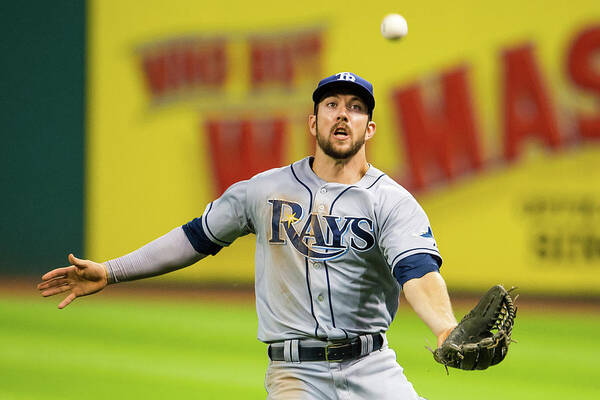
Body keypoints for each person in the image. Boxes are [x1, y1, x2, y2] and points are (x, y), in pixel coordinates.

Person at [38, 72, 458, 399]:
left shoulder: (391, 201)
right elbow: (195, 238)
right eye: (331, 105)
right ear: (314, 123)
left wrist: (444, 327)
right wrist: (112, 271)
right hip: (295, 375)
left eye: (355, 107)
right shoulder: (263, 190)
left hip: (372, 369)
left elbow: (417, 271)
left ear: (369, 128)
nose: (343, 113)